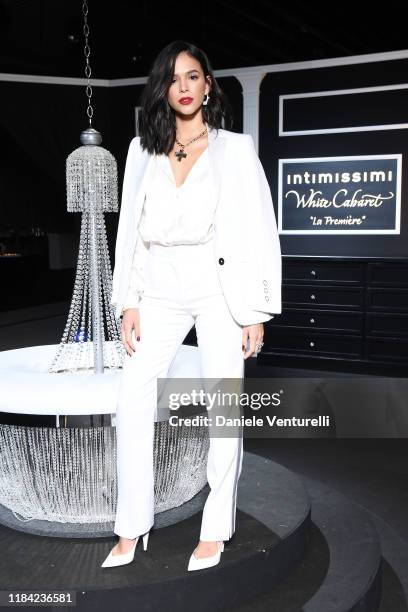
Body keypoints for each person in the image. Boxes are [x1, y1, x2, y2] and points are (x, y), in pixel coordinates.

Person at [102, 40, 282, 571]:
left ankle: (215, 528)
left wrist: (255, 311)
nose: (184, 86)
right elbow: (129, 232)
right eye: (174, 77)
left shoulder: (236, 148)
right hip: (157, 287)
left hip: (216, 287)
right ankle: (132, 526)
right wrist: (127, 301)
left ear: (208, 86)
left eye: (193, 76)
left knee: (223, 409)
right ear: (163, 88)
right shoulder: (142, 150)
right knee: (131, 399)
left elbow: (259, 230)